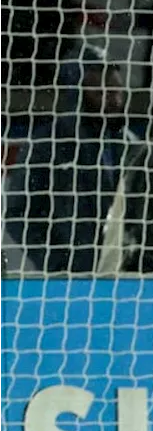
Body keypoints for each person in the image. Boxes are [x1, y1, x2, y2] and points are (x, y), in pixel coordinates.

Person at [4, 50, 127, 274]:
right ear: (76, 93)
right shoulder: (48, 144)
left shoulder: (130, 145)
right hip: (72, 276)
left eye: (116, 89)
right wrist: (57, 262)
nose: (112, 98)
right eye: (100, 91)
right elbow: (18, 213)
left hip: (123, 274)